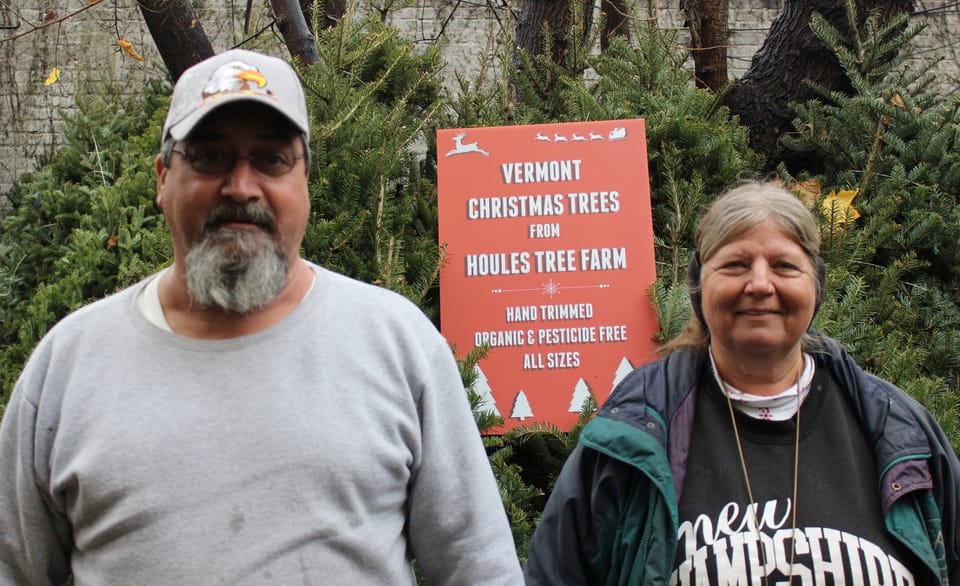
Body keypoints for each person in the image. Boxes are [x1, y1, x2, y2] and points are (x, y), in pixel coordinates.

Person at [0, 48, 523, 585]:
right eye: (209, 156)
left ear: (305, 186)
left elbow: (479, 569)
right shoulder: (68, 366)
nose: (241, 187)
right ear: (162, 178)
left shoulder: (397, 345)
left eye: (272, 159)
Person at [524, 181, 960, 584]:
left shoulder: (902, 433)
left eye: (785, 266)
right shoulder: (632, 438)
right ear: (698, 284)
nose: (759, 284)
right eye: (734, 264)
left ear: (816, 285)